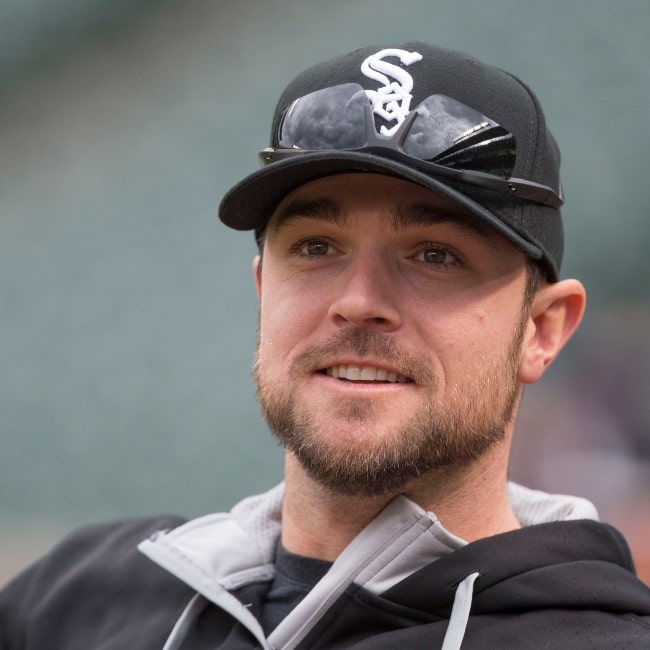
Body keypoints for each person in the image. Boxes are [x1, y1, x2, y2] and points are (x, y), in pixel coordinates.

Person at [1, 41, 649, 649]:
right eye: (316, 247)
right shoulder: (68, 604)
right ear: (263, 291)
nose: (358, 300)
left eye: (435, 255)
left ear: (542, 330)